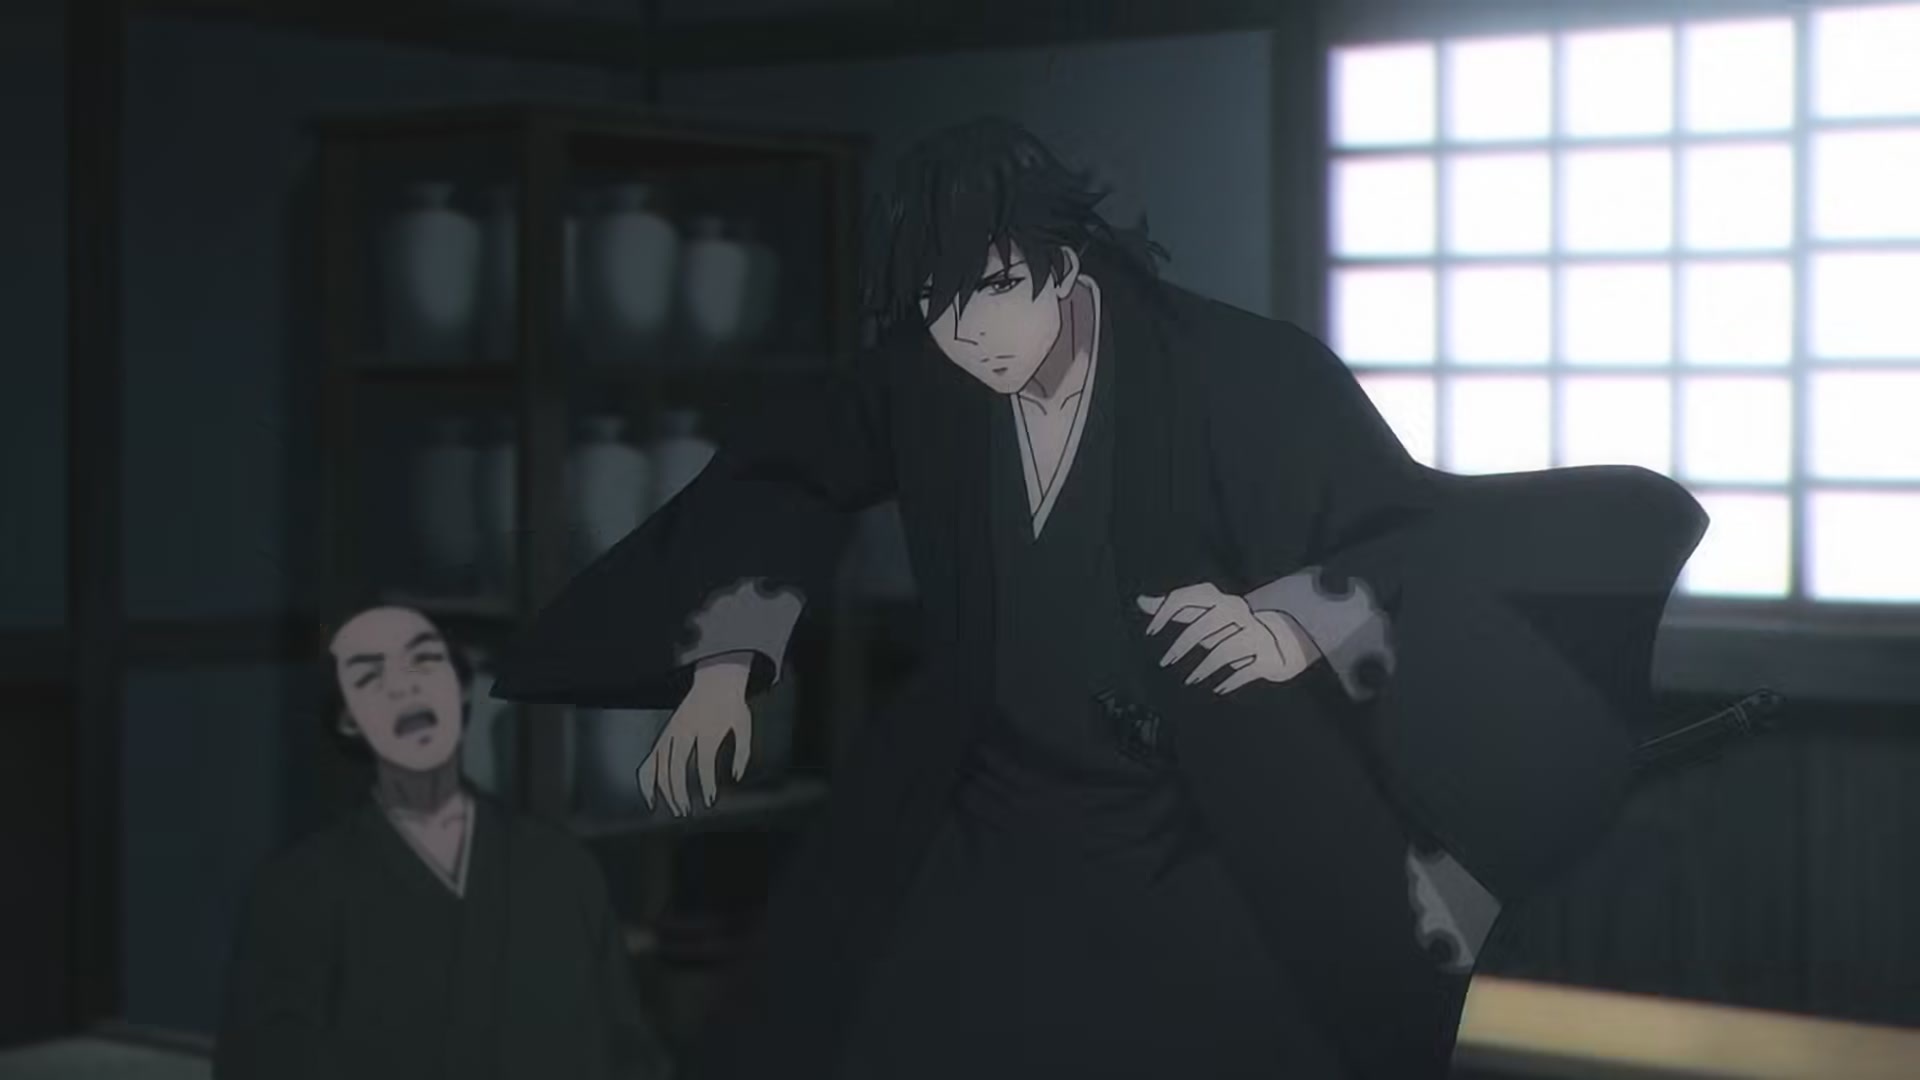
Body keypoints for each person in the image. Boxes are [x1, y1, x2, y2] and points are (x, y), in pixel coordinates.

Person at [490, 117, 1708, 1079]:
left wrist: (1286, 618)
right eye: (934, 309)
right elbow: (788, 473)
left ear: (1062, 265)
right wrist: (726, 663)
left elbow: (1391, 529)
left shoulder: (1232, 370)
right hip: (986, 794)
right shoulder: (929, 375)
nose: (966, 337)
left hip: (1199, 812)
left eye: (988, 294)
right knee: (860, 1024)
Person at [215, 604, 674, 1080]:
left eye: (424, 661)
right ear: (349, 718)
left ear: (460, 687)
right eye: (371, 676)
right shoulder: (296, 892)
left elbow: (631, 1058)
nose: (405, 686)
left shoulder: (561, 870)